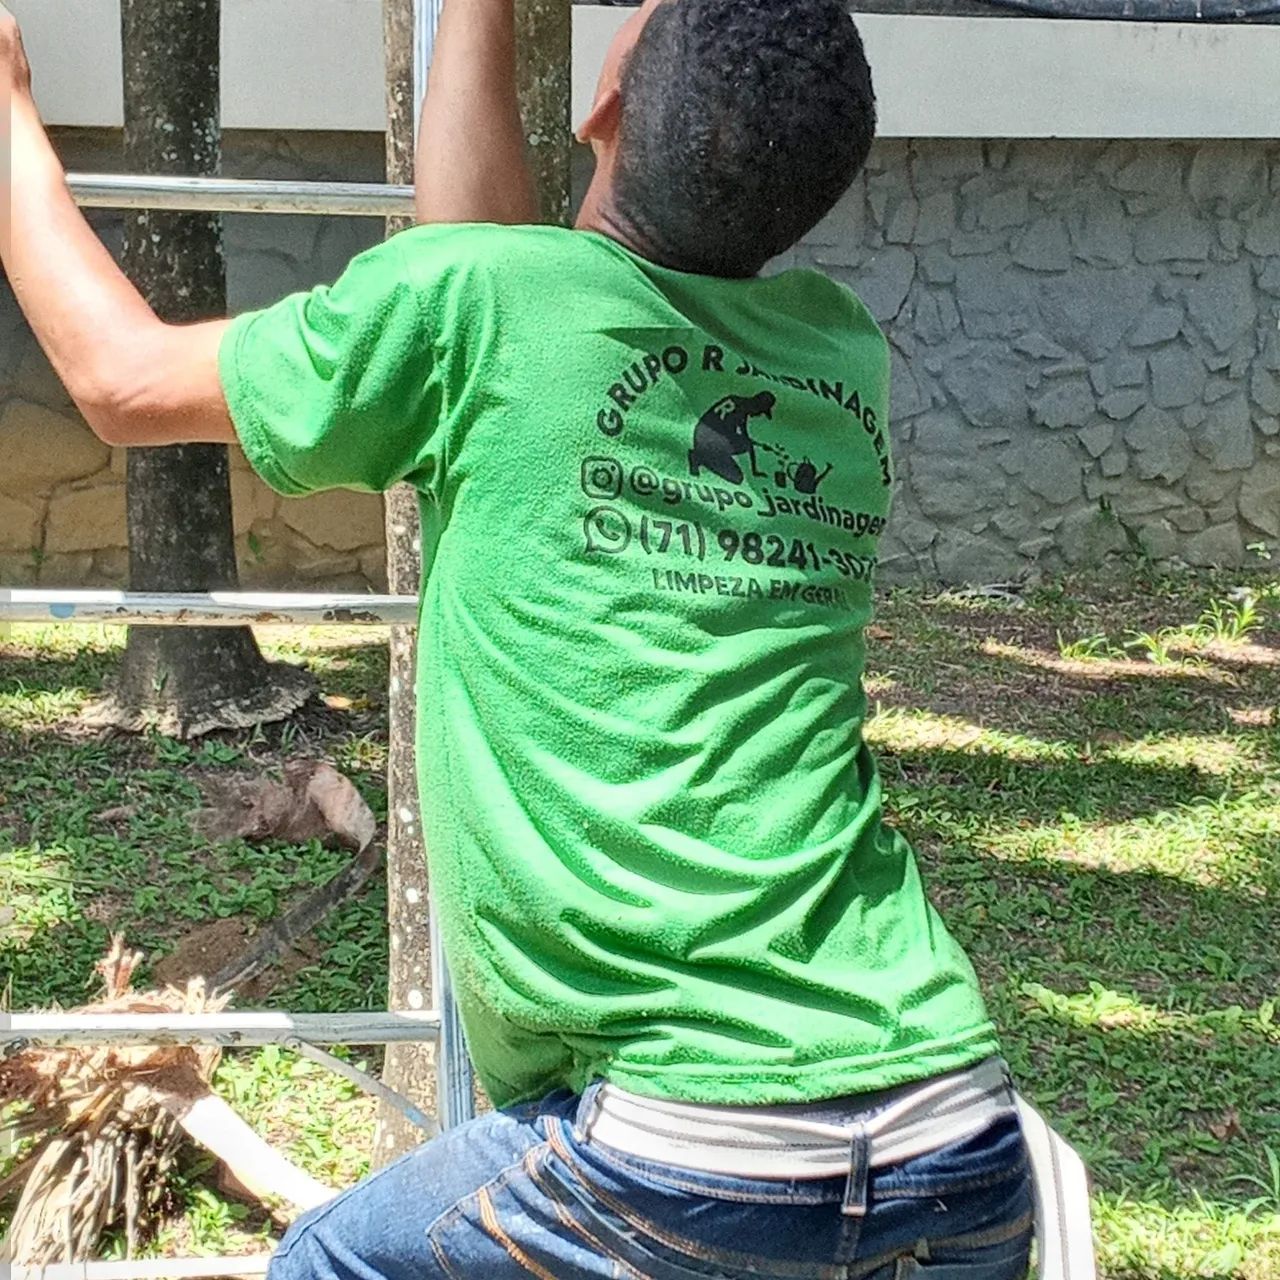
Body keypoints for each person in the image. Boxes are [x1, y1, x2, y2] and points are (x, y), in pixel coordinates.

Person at [2, 1, 1055, 1276]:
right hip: (956, 1128)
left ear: (605, 103)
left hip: (685, 1150)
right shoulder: (840, 354)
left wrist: (8, 118)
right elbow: (493, 264)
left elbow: (120, 379)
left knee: (326, 1262)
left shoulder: (483, 316)